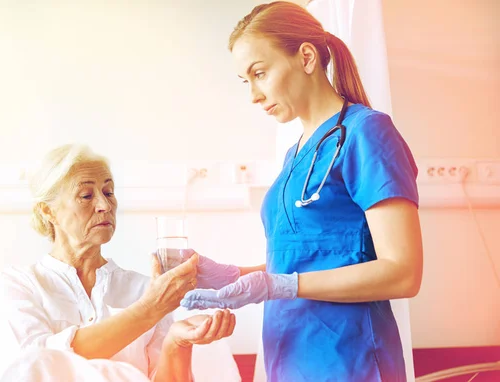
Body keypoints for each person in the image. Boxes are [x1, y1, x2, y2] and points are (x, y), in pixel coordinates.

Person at [179, 2, 423, 381]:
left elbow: (403, 272)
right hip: (290, 360)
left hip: (348, 362)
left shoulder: (365, 133)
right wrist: (231, 275)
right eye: (246, 81)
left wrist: (279, 284)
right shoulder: (296, 154)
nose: (254, 96)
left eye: (259, 73)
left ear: (306, 57)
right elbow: (310, 262)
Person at [0, 144, 235, 382]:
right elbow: (37, 365)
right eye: (86, 195)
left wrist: (178, 342)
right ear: (48, 211)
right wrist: (150, 309)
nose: (104, 205)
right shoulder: (15, 286)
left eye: (109, 192)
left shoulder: (143, 289)